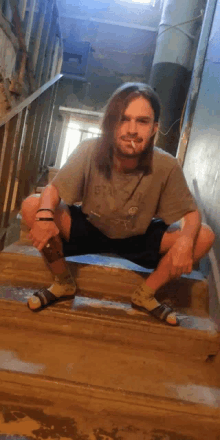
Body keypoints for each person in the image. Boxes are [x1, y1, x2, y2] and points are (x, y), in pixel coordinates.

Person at [22, 82, 215, 326]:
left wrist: (186, 240)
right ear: (111, 123)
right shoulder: (89, 150)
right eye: (123, 119)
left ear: (155, 128)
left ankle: (145, 295)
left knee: (204, 236)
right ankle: (63, 283)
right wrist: (45, 217)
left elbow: (191, 213)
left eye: (142, 121)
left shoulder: (167, 165)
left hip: (139, 235)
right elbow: (54, 189)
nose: (132, 130)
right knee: (32, 206)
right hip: (90, 227)